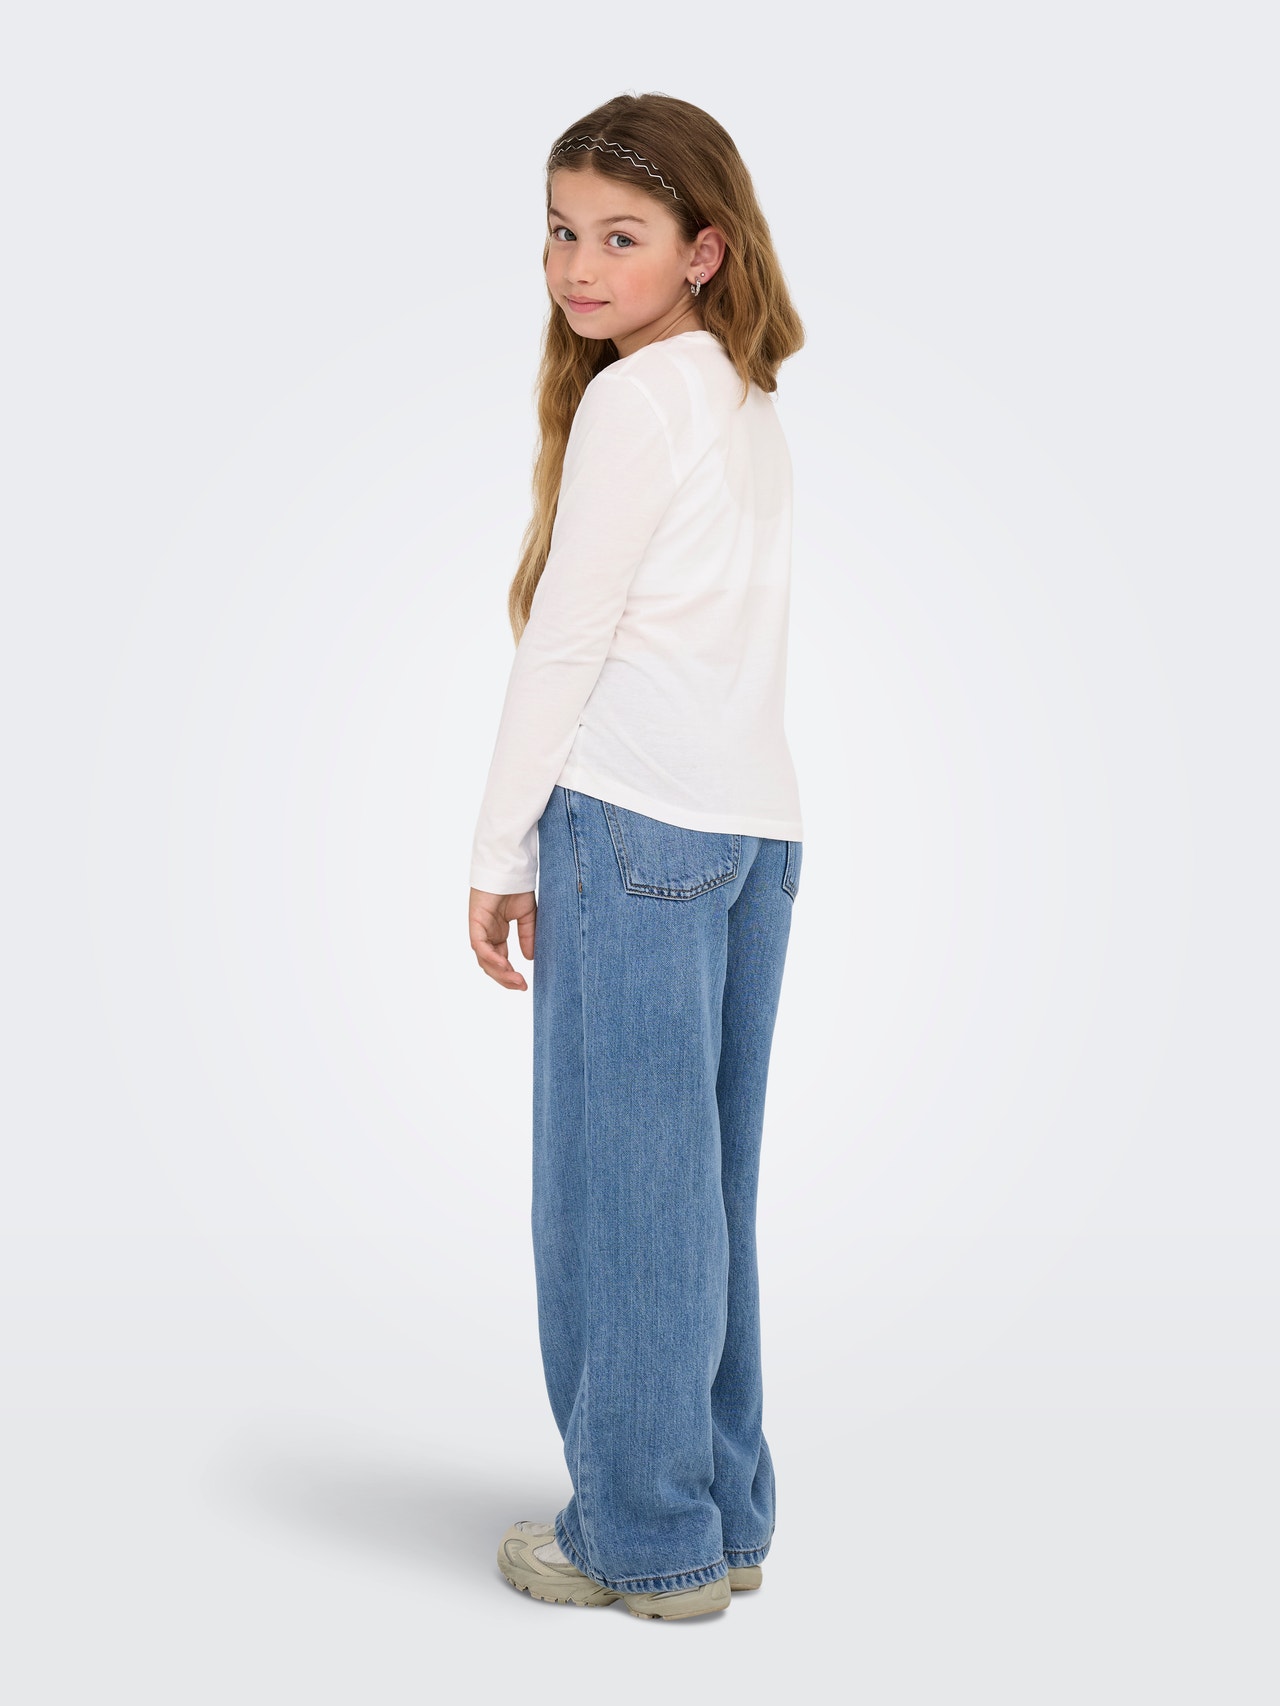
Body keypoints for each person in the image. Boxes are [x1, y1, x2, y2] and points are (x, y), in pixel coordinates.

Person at [467, 91, 806, 1622]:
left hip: (633, 817)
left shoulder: (635, 401)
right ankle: (717, 1512)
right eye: (561, 231)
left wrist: (501, 845)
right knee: (703, 1192)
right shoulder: (740, 395)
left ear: (703, 250)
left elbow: (568, 641)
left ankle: (642, 1534)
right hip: (752, 829)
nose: (578, 266)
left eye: (621, 237)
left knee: (618, 1196)